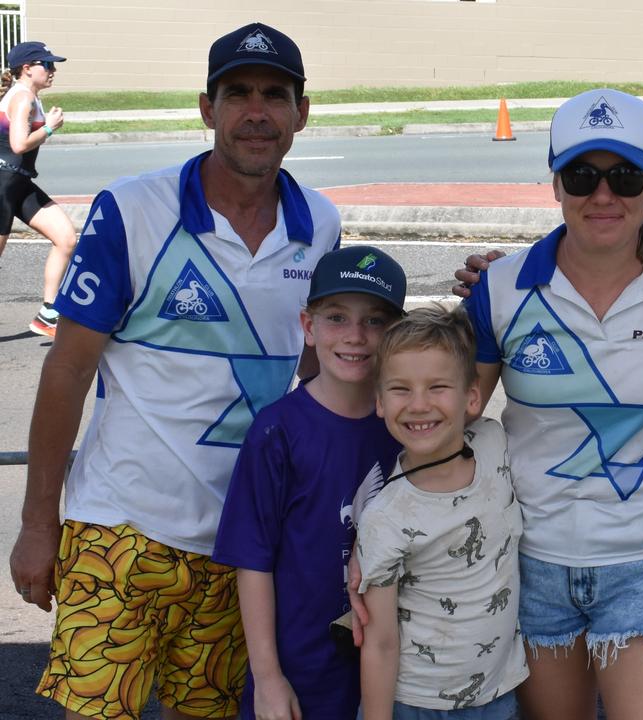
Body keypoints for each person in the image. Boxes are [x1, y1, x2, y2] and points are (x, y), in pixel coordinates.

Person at [7, 22, 338, 720]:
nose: (256, 111)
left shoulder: (322, 225)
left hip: (239, 546)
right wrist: (40, 524)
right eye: (237, 93)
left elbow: (318, 381)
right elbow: (65, 371)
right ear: (206, 108)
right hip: (118, 530)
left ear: (301, 114)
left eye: (275, 95)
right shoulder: (133, 209)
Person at [463, 88, 643, 719]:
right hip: (532, 563)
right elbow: (447, 412)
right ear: (555, 182)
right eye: (582, 175)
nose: (604, 196)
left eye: (626, 176)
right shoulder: (500, 288)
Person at [212, 246, 406, 720]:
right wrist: (269, 677)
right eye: (337, 317)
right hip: (303, 672)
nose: (356, 336)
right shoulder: (278, 431)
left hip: (398, 668)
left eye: (376, 321)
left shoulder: (410, 424)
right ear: (308, 326)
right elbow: (253, 560)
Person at [358, 304, 528, 720]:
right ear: (379, 402)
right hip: (416, 705)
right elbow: (379, 643)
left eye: (437, 387)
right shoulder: (384, 517)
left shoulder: (493, 444)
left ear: (472, 397)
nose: (419, 404)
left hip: (497, 694)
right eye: (400, 389)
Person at [0, 40, 77, 337]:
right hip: (4, 185)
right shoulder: (23, 98)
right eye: (47, 64)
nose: (53, 70)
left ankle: (48, 313)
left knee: (66, 238)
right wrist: (49, 127)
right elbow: (19, 144)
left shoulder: (27, 95)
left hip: (18, 183)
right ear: (27, 69)